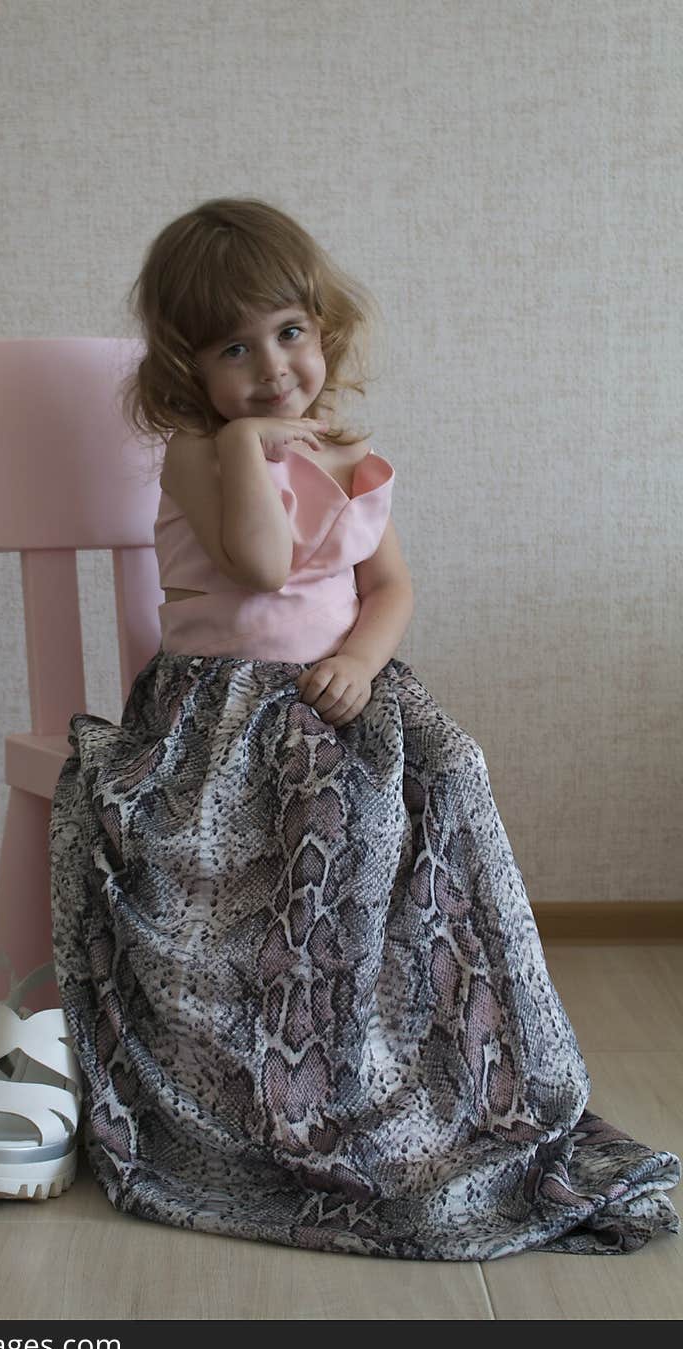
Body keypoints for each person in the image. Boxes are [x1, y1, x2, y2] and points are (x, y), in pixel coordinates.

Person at [48, 197, 680, 1260]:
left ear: (324, 326)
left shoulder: (348, 451)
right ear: (188, 370)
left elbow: (388, 586)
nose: (271, 367)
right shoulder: (205, 453)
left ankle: (410, 1050)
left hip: (340, 689)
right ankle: (291, 1059)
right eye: (233, 350)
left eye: (288, 332)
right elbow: (257, 564)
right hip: (225, 708)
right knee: (321, 816)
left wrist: (354, 659)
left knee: (448, 772)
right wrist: (254, 439)